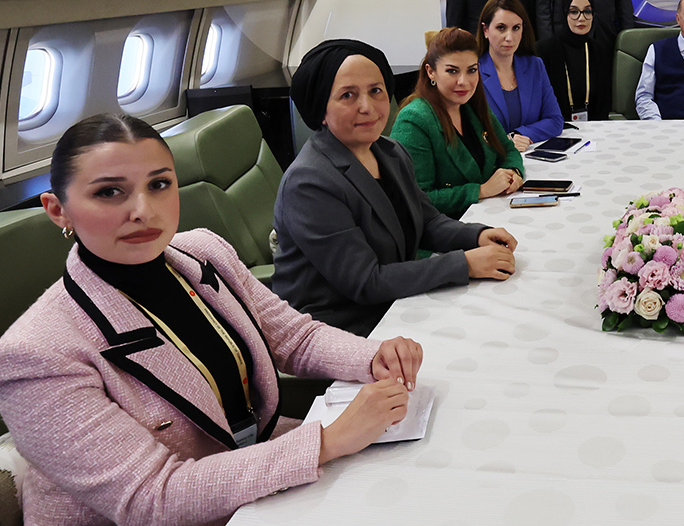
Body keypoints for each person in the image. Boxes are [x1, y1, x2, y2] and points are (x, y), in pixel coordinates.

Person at [0, 113, 424, 524]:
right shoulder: (34, 353)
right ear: (57, 210)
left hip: (259, 470)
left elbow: (295, 338)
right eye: (110, 192)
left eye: (159, 184)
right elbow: (152, 498)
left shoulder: (205, 251)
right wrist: (328, 442)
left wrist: (374, 357)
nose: (144, 210)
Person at [274, 39, 518, 336]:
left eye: (376, 91)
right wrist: (464, 264)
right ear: (321, 109)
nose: (367, 107)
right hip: (337, 326)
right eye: (348, 95)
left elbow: (426, 220)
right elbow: (365, 281)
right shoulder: (309, 182)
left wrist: (476, 235)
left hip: (393, 301)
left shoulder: (389, 152)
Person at [391, 28, 525, 220]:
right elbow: (415, 199)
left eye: (471, 70)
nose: (464, 81)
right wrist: (480, 190)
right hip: (444, 229)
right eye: (452, 71)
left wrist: (513, 172)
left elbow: (508, 149)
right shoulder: (413, 120)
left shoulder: (473, 106)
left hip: (488, 214)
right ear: (431, 72)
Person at [476, 0, 564, 150]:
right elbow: (468, 132)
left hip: (532, 157)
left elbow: (555, 120)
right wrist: (505, 142)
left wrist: (519, 134)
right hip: (493, 160)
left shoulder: (535, 66)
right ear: (485, 30)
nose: (509, 37)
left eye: (516, 28)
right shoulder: (472, 71)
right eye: (501, 28)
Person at [536, 0, 613, 121]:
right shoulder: (544, 50)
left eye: (587, 11)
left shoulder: (599, 50)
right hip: (556, 125)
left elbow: (604, 103)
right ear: (564, 13)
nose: (581, 18)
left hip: (595, 127)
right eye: (574, 12)